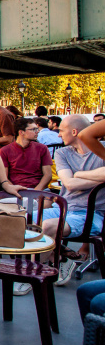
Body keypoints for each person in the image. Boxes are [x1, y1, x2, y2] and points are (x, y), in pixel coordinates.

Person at [39, 115, 105, 285]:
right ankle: (60, 259)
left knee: (48, 226)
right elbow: (69, 183)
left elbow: (73, 181)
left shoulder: (102, 150)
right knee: (19, 219)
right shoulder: (62, 153)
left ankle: (32, 275)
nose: (58, 135)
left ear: (74, 132)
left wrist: (79, 174)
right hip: (64, 209)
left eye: (61, 130)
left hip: (92, 214)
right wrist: (98, 178)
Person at [0, 117, 53, 190]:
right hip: (15, 190)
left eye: (37, 129)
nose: (37, 131)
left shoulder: (42, 148)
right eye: (33, 129)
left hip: (39, 189)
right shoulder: (5, 151)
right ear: (21, 132)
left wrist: (36, 191)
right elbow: (4, 178)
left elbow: (48, 175)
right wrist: (13, 189)